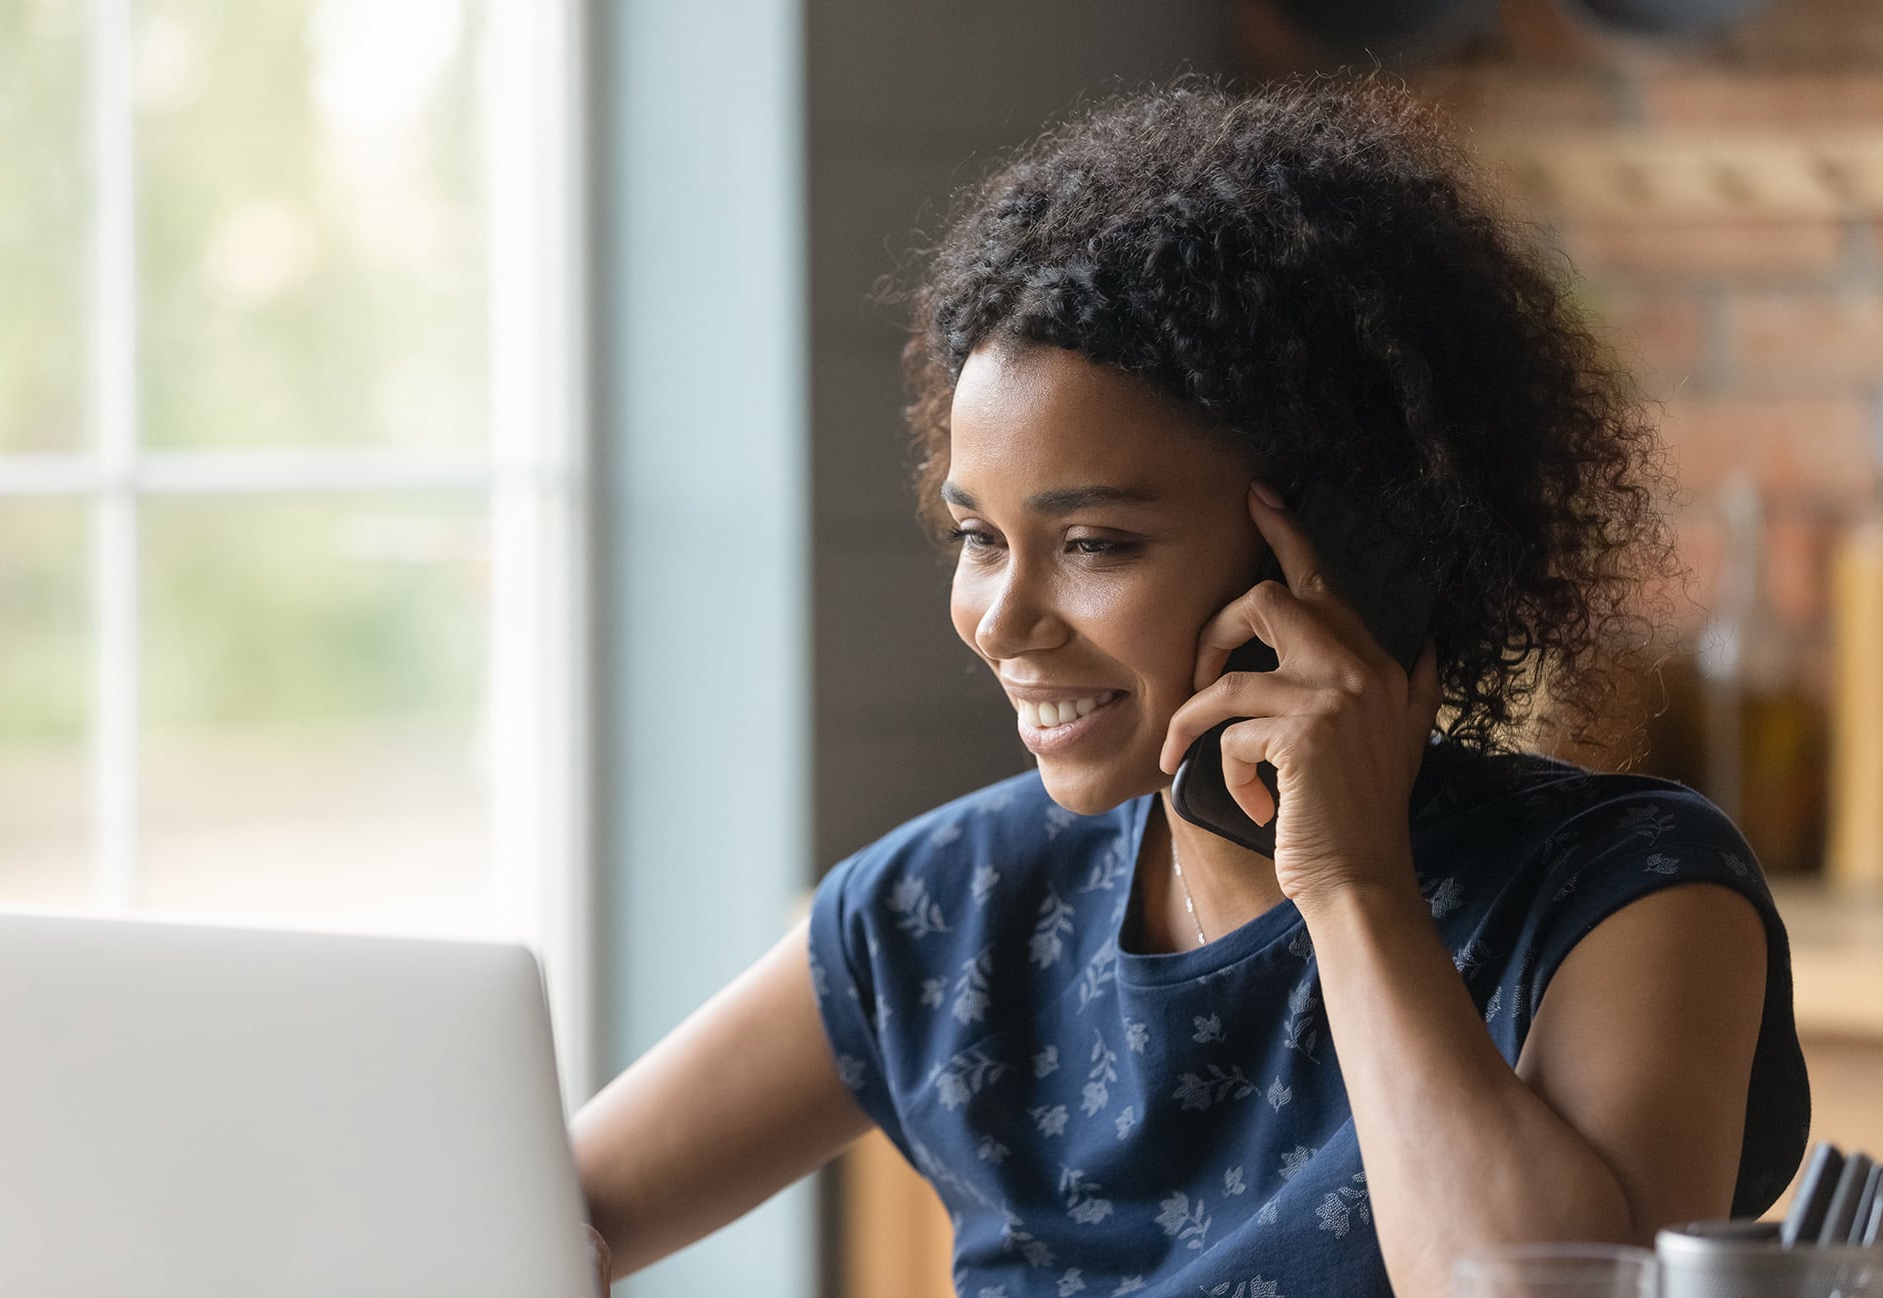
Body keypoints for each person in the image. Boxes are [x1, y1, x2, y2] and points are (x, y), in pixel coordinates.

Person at [568, 74, 1809, 1298]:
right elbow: (541, 1215)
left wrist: (1352, 886)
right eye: (979, 538)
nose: (1003, 620)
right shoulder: (949, 911)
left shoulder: (1626, 894)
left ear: (1338, 554)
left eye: (1095, 543)